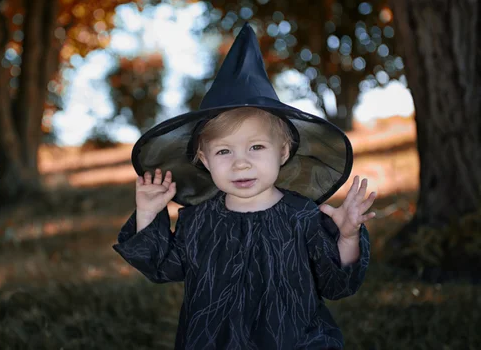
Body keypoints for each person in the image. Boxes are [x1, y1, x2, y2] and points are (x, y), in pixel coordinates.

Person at [113, 23, 376, 349]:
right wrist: (149, 213)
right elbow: (163, 267)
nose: (241, 162)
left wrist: (348, 237)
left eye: (256, 147)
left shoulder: (303, 216)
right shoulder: (198, 220)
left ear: (282, 152)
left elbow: (337, 285)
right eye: (224, 151)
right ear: (204, 160)